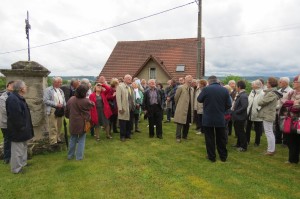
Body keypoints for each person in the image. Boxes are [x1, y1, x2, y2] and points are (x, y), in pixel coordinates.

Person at [198, 76, 232, 162]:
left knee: (209, 138)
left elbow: (199, 99)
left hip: (208, 117)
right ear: (217, 81)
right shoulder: (224, 90)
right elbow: (229, 105)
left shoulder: (206, 89)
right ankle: (223, 157)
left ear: (209, 82)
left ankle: (212, 157)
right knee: (221, 138)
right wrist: (221, 110)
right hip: (220, 117)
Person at [6, 80, 34, 173]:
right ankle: (16, 169)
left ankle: (23, 163)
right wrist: (21, 127)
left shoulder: (18, 97)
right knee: (17, 150)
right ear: (21, 89)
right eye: (25, 86)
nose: (26, 88)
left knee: (23, 148)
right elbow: (15, 116)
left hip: (23, 129)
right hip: (18, 130)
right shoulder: (13, 99)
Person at [65, 85, 94, 160]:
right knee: (81, 139)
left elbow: (66, 110)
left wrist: (69, 116)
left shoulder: (71, 99)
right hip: (82, 122)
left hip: (73, 122)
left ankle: (70, 156)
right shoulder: (86, 101)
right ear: (84, 92)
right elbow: (92, 105)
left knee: (72, 139)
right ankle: (79, 157)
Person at [258, 77, 282, 156]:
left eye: (267, 82)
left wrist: (261, 96)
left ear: (271, 84)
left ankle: (271, 150)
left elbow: (261, 102)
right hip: (268, 114)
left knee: (269, 132)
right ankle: (271, 149)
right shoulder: (272, 92)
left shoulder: (271, 93)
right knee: (269, 132)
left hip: (268, 114)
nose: (266, 83)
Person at [43, 77, 66, 145]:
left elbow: (63, 99)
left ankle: (58, 138)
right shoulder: (48, 90)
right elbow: (45, 100)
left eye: (61, 82)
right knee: (53, 126)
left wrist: (64, 105)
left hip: (60, 110)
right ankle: (53, 141)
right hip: (53, 109)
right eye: (59, 82)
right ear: (54, 82)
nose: (61, 83)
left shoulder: (60, 90)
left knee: (59, 125)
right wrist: (56, 104)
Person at [174, 75, 194, 142]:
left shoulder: (192, 89)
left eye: (190, 80)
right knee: (180, 123)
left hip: (189, 108)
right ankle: (178, 137)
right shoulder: (181, 88)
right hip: (181, 107)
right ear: (185, 80)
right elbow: (176, 98)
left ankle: (185, 136)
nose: (189, 81)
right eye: (188, 80)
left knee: (187, 122)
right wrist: (179, 105)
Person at [285, 75, 300, 164]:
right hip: (290, 119)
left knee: (298, 140)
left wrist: (292, 104)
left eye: (295, 82)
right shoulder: (291, 93)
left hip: (298, 120)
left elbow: (296, 107)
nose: (293, 83)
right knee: (289, 140)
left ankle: (294, 159)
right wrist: (292, 103)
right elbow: (285, 103)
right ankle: (292, 159)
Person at [116, 74, 135, 141]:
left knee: (129, 122)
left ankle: (128, 134)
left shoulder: (130, 87)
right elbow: (118, 98)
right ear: (124, 79)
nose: (130, 80)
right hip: (124, 108)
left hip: (131, 107)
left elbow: (132, 97)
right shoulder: (120, 87)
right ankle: (122, 136)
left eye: (131, 79)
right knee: (123, 122)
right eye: (128, 79)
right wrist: (120, 108)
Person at [246, 80, 264, 147]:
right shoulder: (252, 91)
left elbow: (262, 104)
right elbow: (249, 100)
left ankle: (257, 142)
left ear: (257, 85)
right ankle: (247, 140)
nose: (251, 85)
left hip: (257, 113)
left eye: (252, 84)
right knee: (248, 128)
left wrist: (257, 110)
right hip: (249, 112)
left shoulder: (262, 93)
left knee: (258, 129)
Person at [275, 77, 293, 145]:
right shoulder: (279, 90)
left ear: (285, 83)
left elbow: (289, 102)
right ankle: (278, 140)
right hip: (277, 110)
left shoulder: (290, 91)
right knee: (277, 125)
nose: (279, 83)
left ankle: (285, 141)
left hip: (285, 111)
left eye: (280, 82)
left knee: (284, 126)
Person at [232, 80, 248, 152]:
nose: (235, 87)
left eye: (236, 86)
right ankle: (238, 144)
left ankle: (243, 146)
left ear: (239, 87)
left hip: (240, 117)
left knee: (241, 132)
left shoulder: (243, 95)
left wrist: (236, 112)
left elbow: (244, 106)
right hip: (237, 116)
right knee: (238, 131)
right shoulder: (240, 94)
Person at [0, 81, 14, 164]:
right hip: (6, 122)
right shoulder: (3, 97)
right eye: (11, 85)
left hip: (14, 122)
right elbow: (4, 110)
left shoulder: (16, 95)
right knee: (7, 140)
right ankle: (7, 158)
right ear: (7, 86)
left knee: (14, 139)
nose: (13, 87)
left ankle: (14, 156)